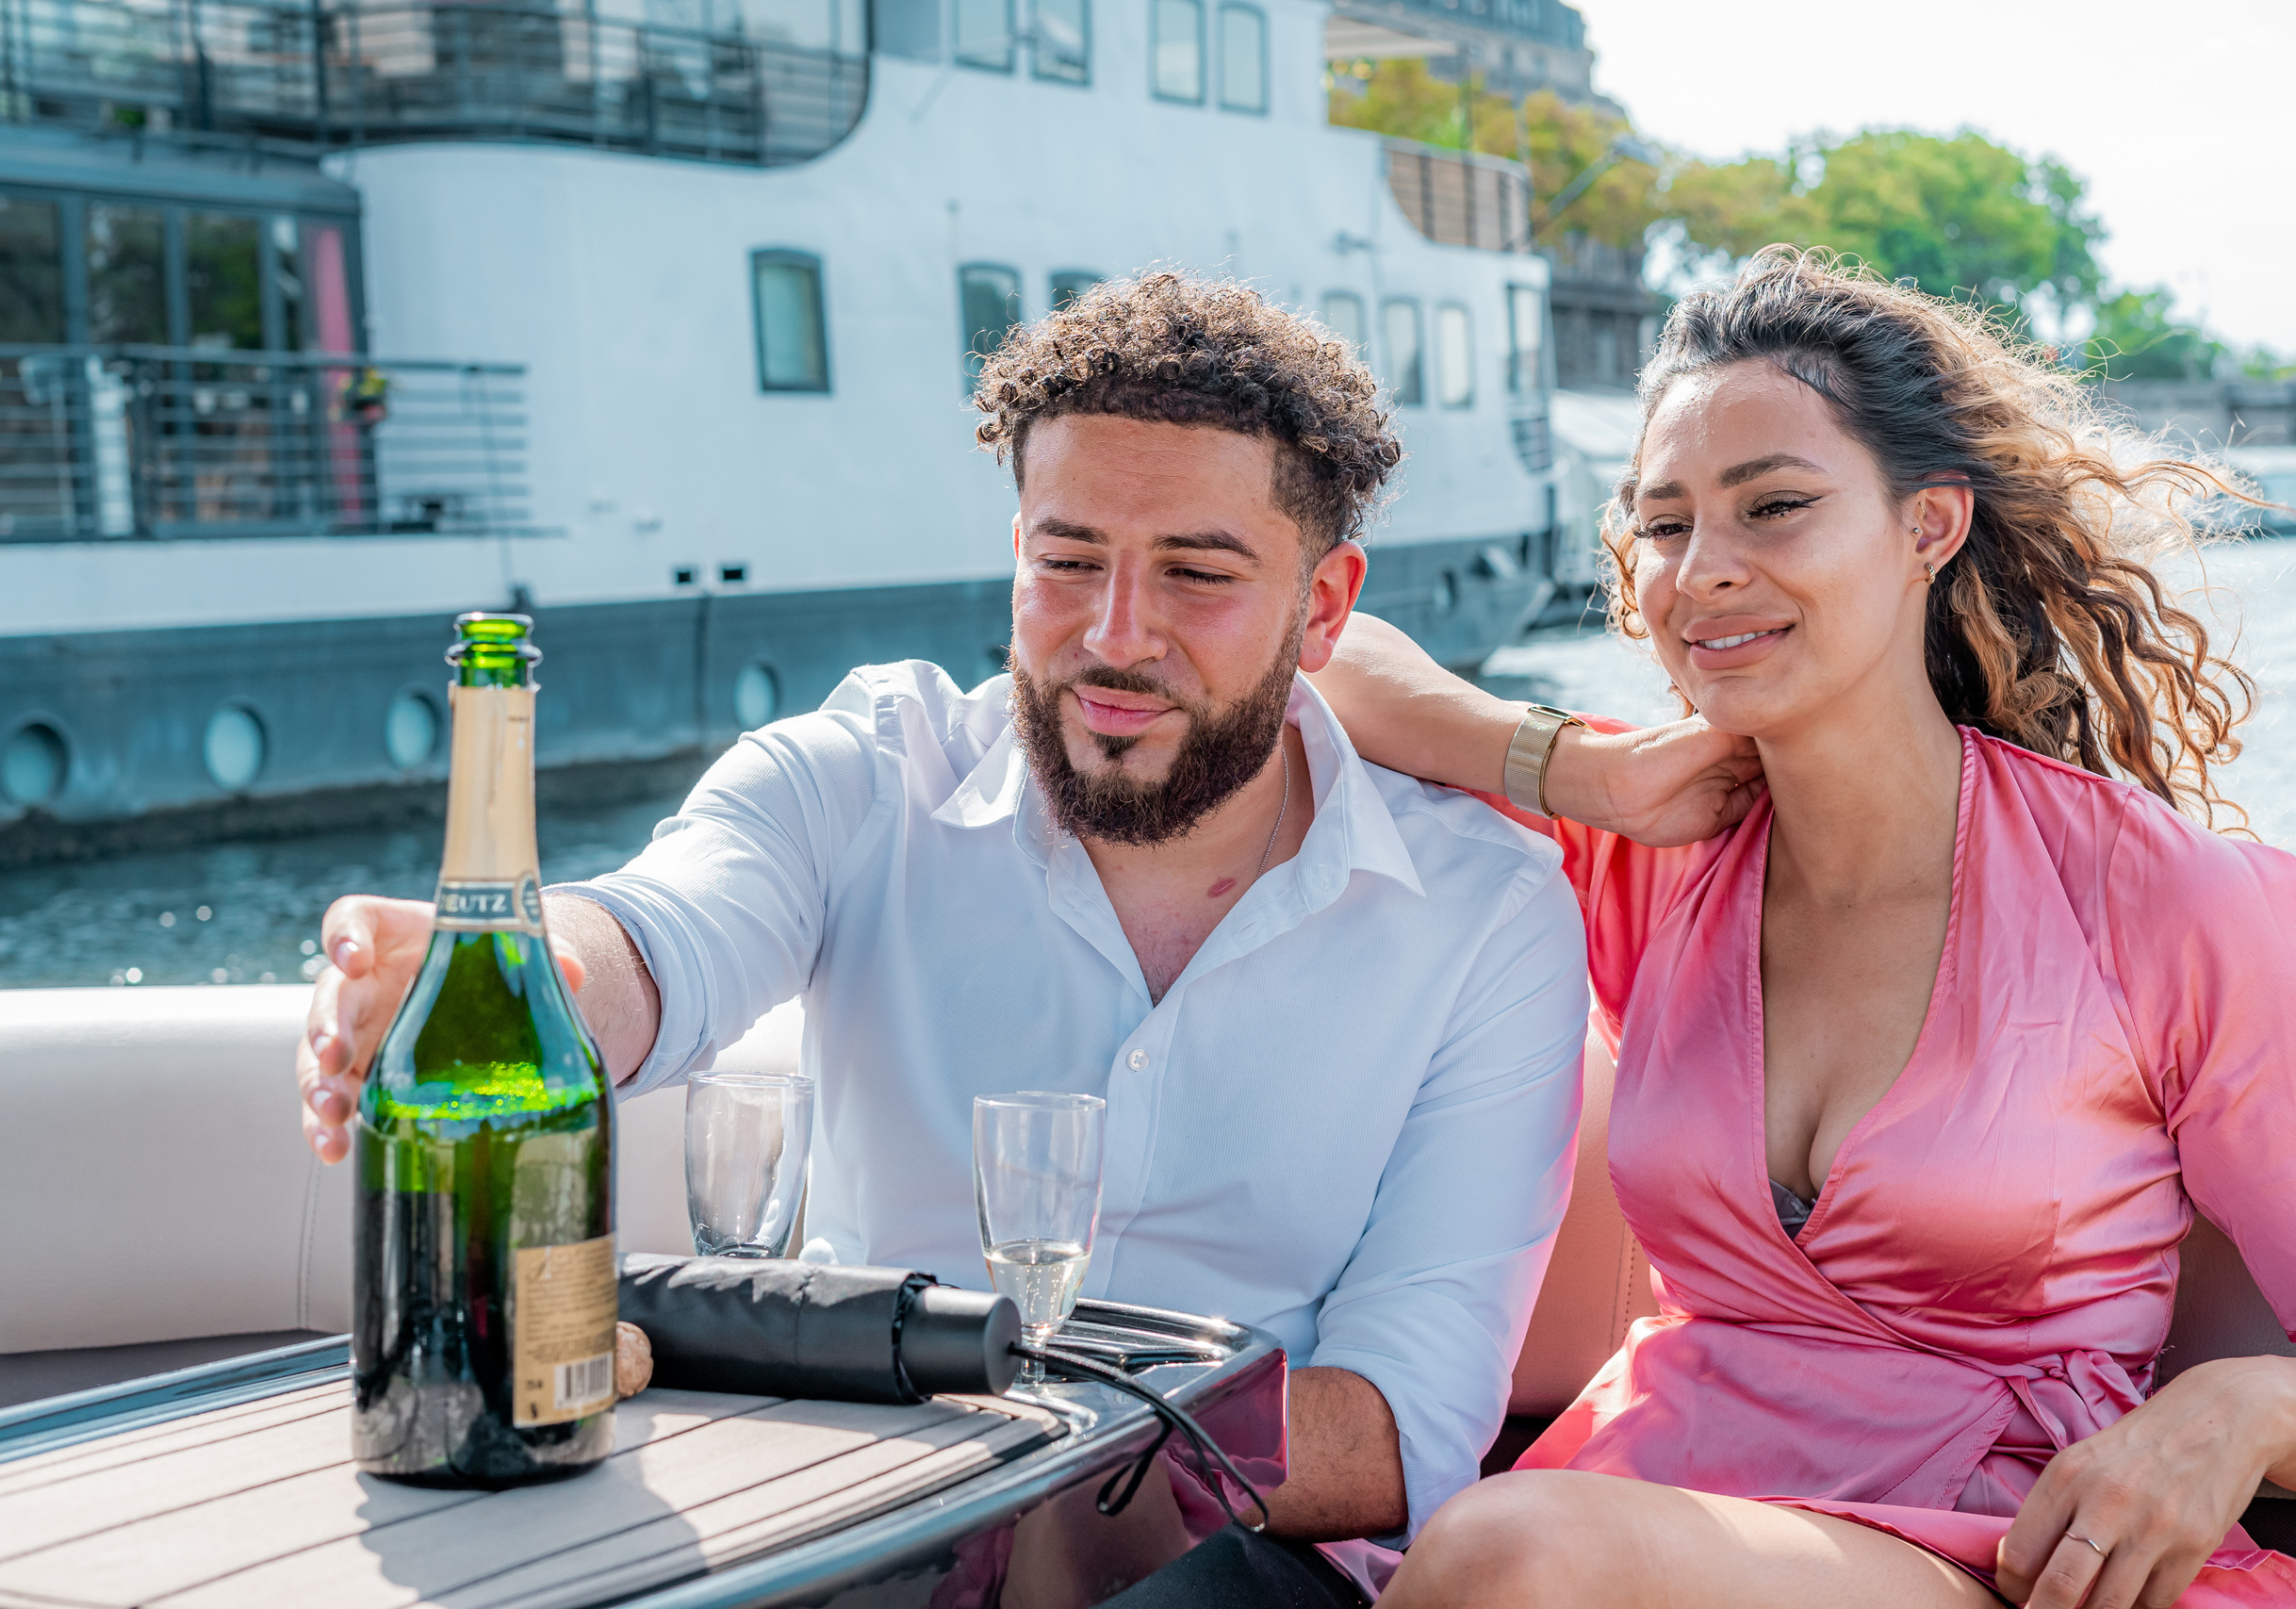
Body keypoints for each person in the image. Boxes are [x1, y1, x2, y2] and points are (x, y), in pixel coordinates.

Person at [290, 272, 1747, 1604]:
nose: (1116, 636)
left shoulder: (1485, 913)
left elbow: (1394, 1431)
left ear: (1324, 610)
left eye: (1196, 573)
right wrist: (495, 972)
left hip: (1246, 1559)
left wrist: (1027, 1445)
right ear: (1013, 559)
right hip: (873, 1526)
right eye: (1069, 561)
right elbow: (656, 942)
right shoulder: (863, 773)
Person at [1313, 250, 2296, 1609]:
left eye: (1773, 508)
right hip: (1658, 1507)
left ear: (1928, 527)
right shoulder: (1652, 847)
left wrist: (2244, 1412)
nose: (1703, 571)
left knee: (1512, 1551)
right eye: (1664, 526)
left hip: (1994, 1558)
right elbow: (1315, 653)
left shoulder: (2160, 901)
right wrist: (1570, 770)